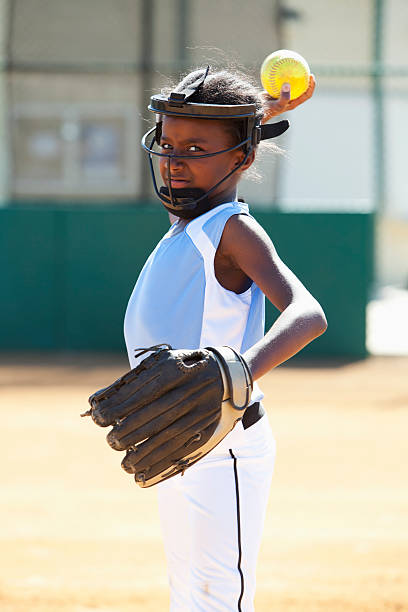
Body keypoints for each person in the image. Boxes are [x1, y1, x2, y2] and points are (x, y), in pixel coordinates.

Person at [124, 65, 327, 611]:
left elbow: (308, 314)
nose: (174, 160)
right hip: (178, 435)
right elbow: (215, 146)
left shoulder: (231, 229)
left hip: (225, 442)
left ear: (241, 160)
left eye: (194, 148)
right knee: (190, 596)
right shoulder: (185, 227)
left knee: (218, 600)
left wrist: (234, 371)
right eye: (166, 144)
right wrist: (251, 119)